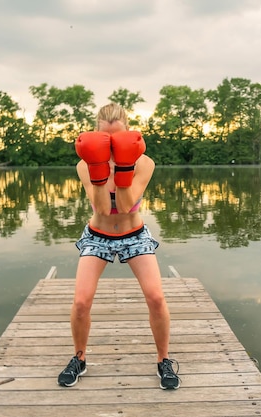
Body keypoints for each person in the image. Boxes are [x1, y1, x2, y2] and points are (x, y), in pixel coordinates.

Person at [57, 103, 180, 390]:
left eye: (116, 139)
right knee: (81, 302)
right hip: (97, 234)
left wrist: (123, 164)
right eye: (106, 139)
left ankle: (164, 360)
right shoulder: (83, 165)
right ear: (96, 134)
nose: (111, 145)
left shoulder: (145, 163)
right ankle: (80, 358)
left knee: (156, 298)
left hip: (134, 233)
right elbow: (101, 205)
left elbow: (124, 206)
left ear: (128, 133)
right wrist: (99, 165)